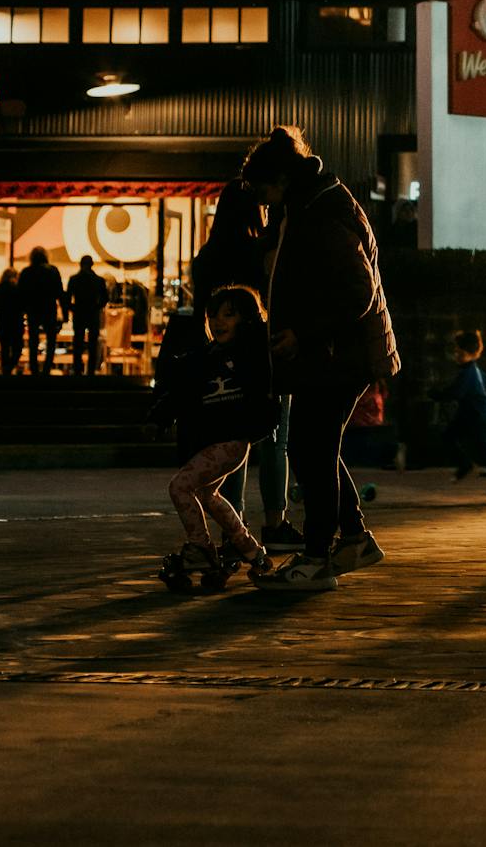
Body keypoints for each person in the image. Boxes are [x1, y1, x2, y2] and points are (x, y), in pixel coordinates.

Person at [242, 128, 400, 592]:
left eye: (264, 191)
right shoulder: (313, 203)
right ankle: (352, 538)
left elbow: (358, 291)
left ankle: (316, 557)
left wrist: (303, 334)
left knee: (310, 448)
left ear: (283, 180)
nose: (263, 202)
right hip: (334, 353)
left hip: (336, 356)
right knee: (315, 448)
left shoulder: (321, 212)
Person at [146, 285, 281, 582]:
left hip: (232, 439)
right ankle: (249, 549)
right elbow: (182, 391)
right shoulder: (207, 357)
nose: (218, 322)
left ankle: (201, 548)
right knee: (208, 494)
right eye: (213, 316)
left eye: (229, 315)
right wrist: (161, 414)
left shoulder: (252, 355)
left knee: (180, 487)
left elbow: (265, 394)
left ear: (246, 319)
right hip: (218, 439)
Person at [196, 180, 302, 553]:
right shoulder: (262, 252)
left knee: (231, 442)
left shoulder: (207, 257)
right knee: (275, 443)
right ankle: (275, 522)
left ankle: (233, 524)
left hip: (221, 366)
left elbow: (200, 316)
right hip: (263, 359)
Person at [436, 330, 486, 492]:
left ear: (467, 353)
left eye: (458, 351)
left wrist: (439, 395)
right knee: (450, 437)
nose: (455, 354)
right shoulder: (476, 372)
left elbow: (456, 392)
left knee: (485, 450)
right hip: (473, 413)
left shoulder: (469, 374)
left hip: (477, 416)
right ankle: (465, 464)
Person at [17, 247, 64, 375]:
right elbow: (60, 293)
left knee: (33, 340)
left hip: (33, 309)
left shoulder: (26, 272)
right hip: (49, 308)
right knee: (51, 341)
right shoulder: (53, 270)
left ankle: (34, 369)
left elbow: (20, 294)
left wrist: (21, 312)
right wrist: (64, 314)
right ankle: (47, 368)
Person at [65, 254, 111, 375]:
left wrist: (72, 309)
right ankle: (90, 370)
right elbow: (105, 298)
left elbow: (67, 299)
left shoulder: (74, 279)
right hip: (92, 314)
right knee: (92, 344)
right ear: (92, 265)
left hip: (79, 313)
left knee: (78, 343)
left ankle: (77, 369)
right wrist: (97, 307)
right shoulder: (99, 280)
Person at [0, 268, 25, 374]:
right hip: (16, 323)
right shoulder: (17, 289)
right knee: (17, 347)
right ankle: (10, 366)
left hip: (1, 322)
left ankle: (5, 371)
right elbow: (23, 305)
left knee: (4, 347)